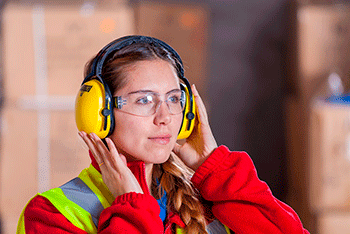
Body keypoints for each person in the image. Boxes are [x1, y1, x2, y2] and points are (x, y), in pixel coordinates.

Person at [17, 35, 309, 234]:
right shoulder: (50, 214)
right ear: (98, 113)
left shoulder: (210, 201)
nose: (165, 116)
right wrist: (131, 206)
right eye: (144, 100)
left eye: (173, 99)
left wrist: (217, 168)